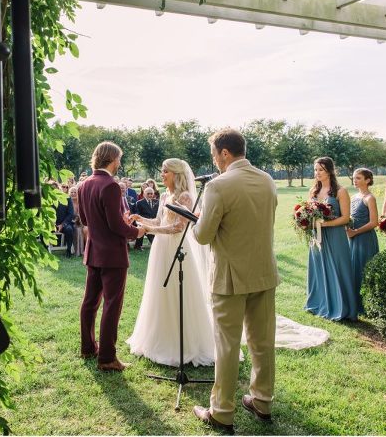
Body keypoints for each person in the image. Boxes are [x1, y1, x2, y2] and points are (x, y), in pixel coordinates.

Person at [191, 128, 280, 433]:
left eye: (214, 155)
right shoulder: (267, 180)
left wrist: (198, 221)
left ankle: (222, 411)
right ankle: (262, 400)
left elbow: (203, 236)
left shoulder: (218, 186)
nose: (214, 161)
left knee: (227, 345)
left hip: (229, 277)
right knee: (263, 342)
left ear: (225, 153)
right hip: (264, 272)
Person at [127, 159, 214, 366]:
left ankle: (182, 343)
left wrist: (149, 230)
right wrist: (141, 219)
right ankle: (159, 337)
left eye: (166, 171)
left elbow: (178, 227)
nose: (162, 174)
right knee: (159, 291)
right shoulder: (165, 195)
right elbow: (160, 222)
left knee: (177, 292)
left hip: (177, 248)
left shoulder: (185, 196)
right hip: (161, 249)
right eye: (162, 171)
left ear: (176, 174)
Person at [77, 141, 145, 372]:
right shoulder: (111, 185)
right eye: (119, 159)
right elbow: (115, 225)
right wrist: (137, 232)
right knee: (112, 304)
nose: (119, 163)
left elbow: (85, 219)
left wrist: (116, 220)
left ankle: (88, 348)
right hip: (112, 255)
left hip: (94, 251)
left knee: (90, 302)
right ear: (112, 159)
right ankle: (107, 358)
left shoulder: (84, 184)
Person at [304, 157, 358, 321]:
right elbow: (308, 211)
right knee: (319, 267)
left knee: (338, 268)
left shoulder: (340, 191)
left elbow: (345, 218)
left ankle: (341, 306)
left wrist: (325, 224)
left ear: (329, 171)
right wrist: (305, 221)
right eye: (315, 169)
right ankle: (320, 302)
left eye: (321, 169)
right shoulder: (313, 191)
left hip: (335, 235)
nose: (317, 173)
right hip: (317, 236)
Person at [346, 168, 379, 313]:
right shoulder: (354, 197)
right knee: (353, 268)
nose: (355, 180)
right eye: (354, 178)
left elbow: (374, 222)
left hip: (365, 238)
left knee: (364, 268)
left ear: (368, 180)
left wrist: (356, 232)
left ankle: (367, 304)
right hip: (352, 238)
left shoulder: (369, 198)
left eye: (358, 178)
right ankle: (355, 302)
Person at [55, 183, 75, 258]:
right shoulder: (49, 199)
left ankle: (68, 250)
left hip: (64, 223)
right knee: (42, 233)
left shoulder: (67, 198)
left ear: (58, 188)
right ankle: (46, 250)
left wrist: (62, 224)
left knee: (69, 230)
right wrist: (53, 224)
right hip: (52, 224)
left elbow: (70, 213)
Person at [69, 184, 85, 257]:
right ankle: (77, 251)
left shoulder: (81, 202)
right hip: (70, 222)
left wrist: (78, 219)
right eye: (71, 192)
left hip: (80, 222)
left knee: (82, 228)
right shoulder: (68, 202)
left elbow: (82, 214)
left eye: (75, 192)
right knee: (77, 229)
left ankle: (83, 250)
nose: (73, 194)